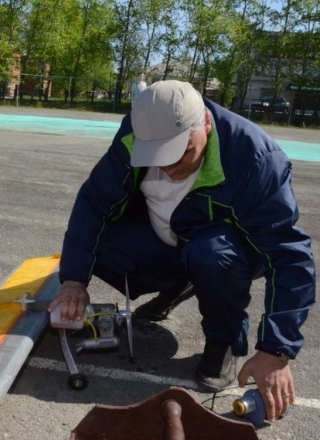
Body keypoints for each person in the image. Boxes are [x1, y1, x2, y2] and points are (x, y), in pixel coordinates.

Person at [49, 80, 315, 422]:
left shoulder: (255, 160)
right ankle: (181, 282)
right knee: (96, 243)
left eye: (183, 152)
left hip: (221, 249)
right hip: (167, 236)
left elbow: (290, 258)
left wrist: (276, 351)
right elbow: (94, 203)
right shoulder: (139, 130)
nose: (171, 168)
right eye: (159, 157)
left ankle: (222, 342)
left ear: (206, 123)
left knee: (211, 255)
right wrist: (73, 280)